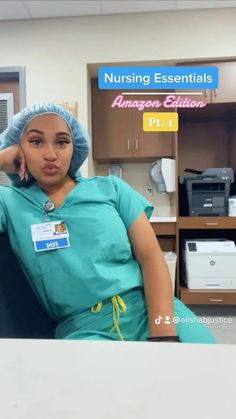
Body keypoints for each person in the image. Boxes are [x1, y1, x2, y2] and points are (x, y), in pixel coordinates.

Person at [0, 103, 216, 343]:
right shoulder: (9, 202)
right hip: (85, 329)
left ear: (74, 147)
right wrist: (1, 158)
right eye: (36, 141)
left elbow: (151, 257)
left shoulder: (112, 189)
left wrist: (163, 333)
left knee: (208, 371)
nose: (50, 153)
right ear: (18, 147)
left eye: (62, 141)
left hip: (153, 310)